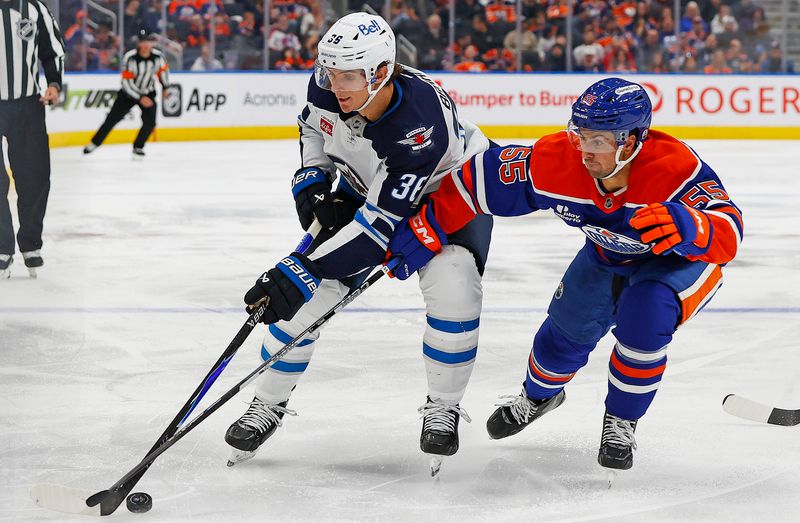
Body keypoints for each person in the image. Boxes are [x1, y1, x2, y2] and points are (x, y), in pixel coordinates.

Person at [390, 78, 743, 473]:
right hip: (606, 255)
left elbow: (729, 232)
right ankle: (539, 396)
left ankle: (621, 422)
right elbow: (475, 182)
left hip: (678, 262)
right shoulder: (556, 160)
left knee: (645, 313)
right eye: (580, 135)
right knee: (559, 341)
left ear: (631, 142)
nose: (585, 151)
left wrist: (692, 226)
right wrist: (428, 225)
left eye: (598, 141)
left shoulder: (675, 170)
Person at [224, 12, 493, 473]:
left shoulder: (416, 125)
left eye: (348, 76)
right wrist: (312, 174)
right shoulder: (328, 83)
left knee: (454, 288)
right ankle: (267, 402)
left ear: (382, 72)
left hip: (446, 194)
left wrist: (302, 266)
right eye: (330, 73)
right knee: (306, 299)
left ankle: (443, 405)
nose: (336, 85)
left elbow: (377, 232)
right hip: (367, 186)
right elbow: (312, 126)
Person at [0, 0, 65, 279]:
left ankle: (30, 243)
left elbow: (53, 51)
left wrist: (53, 83)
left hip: (27, 104)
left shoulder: (35, 8)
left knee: (34, 175)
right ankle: (2, 248)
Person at [82, 33, 170, 159]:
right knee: (112, 119)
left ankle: (138, 147)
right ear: (138, 43)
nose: (146, 45)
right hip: (128, 94)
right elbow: (126, 82)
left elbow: (164, 72)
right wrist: (140, 97)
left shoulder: (158, 57)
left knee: (150, 122)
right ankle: (94, 143)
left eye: (148, 42)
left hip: (148, 92)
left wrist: (166, 87)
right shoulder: (130, 57)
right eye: (143, 42)